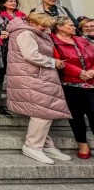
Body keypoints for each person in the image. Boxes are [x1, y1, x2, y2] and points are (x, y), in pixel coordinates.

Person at [6, 13, 72, 164]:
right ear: (32, 22)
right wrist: (52, 62)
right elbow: (31, 55)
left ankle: (45, 144)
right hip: (32, 76)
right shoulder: (26, 33)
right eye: (43, 24)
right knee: (42, 113)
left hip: (37, 75)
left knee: (44, 111)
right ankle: (32, 146)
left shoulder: (36, 32)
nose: (45, 28)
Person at [51, 16, 94, 159]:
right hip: (70, 84)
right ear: (60, 27)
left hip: (91, 81)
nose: (74, 27)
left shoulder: (82, 39)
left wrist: (92, 71)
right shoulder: (53, 42)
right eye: (70, 25)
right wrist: (79, 72)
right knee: (76, 115)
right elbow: (59, 62)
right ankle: (82, 143)